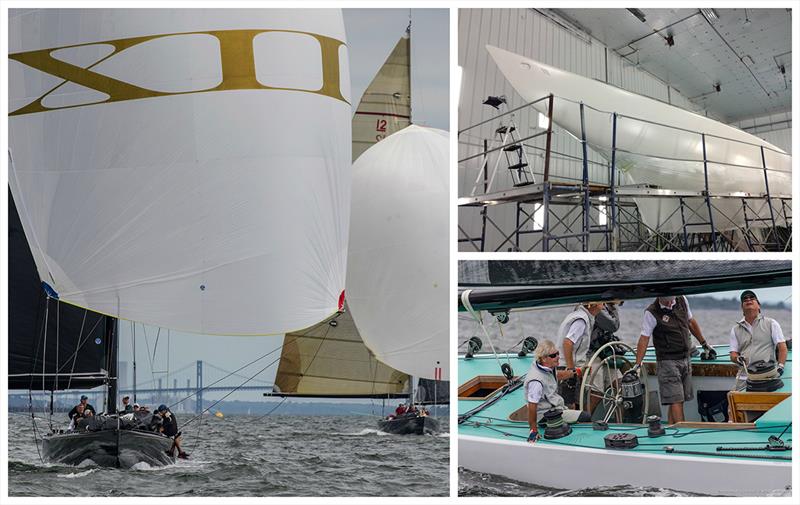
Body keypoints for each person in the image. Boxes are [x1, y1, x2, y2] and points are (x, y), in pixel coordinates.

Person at [633, 295, 713, 424]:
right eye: (666, 297)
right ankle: (681, 434)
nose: (670, 301)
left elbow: (690, 322)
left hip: (685, 358)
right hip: (667, 362)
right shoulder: (652, 312)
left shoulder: (682, 299)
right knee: (676, 400)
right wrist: (637, 365)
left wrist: (704, 344)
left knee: (677, 399)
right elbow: (644, 338)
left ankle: (671, 429)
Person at [524, 339, 591, 443]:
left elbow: (558, 375)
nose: (558, 357)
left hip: (554, 408)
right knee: (586, 417)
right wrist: (533, 430)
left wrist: (576, 372)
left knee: (574, 412)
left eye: (558, 354)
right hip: (545, 416)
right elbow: (532, 406)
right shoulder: (536, 381)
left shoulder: (547, 368)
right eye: (553, 355)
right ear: (544, 359)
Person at [729, 290, 788, 391]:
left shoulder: (771, 323)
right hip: (743, 377)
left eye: (752, 298)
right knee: (732, 404)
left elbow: (782, 348)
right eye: (745, 299)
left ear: (759, 305)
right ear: (742, 307)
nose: (748, 299)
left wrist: (780, 367)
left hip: (766, 377)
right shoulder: (735, 329)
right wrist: (738, 359)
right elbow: (733, 354)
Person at [556, 302, 604, 409]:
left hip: (565, 364)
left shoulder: (578, 315)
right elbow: (568, 342)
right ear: (593, 304)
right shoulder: (581, 320)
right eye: (602, 303)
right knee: (570, 406)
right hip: (568, 367)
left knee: (573, 405)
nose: (604, 305)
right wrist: (572, 370)